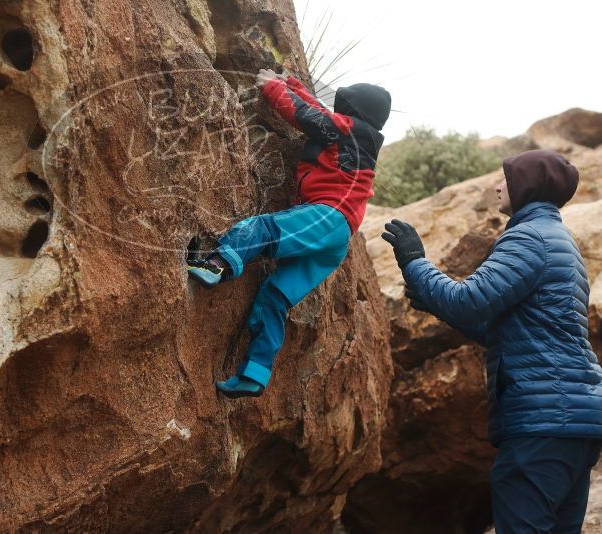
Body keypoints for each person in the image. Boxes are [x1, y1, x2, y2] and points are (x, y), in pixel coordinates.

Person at [382, 149, 602, 533]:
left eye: (507, 178)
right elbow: (510, 331)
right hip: (572, 423)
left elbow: (469, 302)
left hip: (540, 422)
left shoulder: (528, 238)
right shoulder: (560, 240)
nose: (499, 185)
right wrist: (437, 303)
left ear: (529, 186)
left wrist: (415, 262)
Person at [187, 68, 391, 398]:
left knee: (263, 229)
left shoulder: (352, 130)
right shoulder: (355, 133)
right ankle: (254, 374)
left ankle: (214, 266)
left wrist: (272, 89)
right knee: (275, 297)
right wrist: (292, 84)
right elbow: (321, 115)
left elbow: (307, 116)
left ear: (354, 112)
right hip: (334, 239)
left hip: (328, 216)